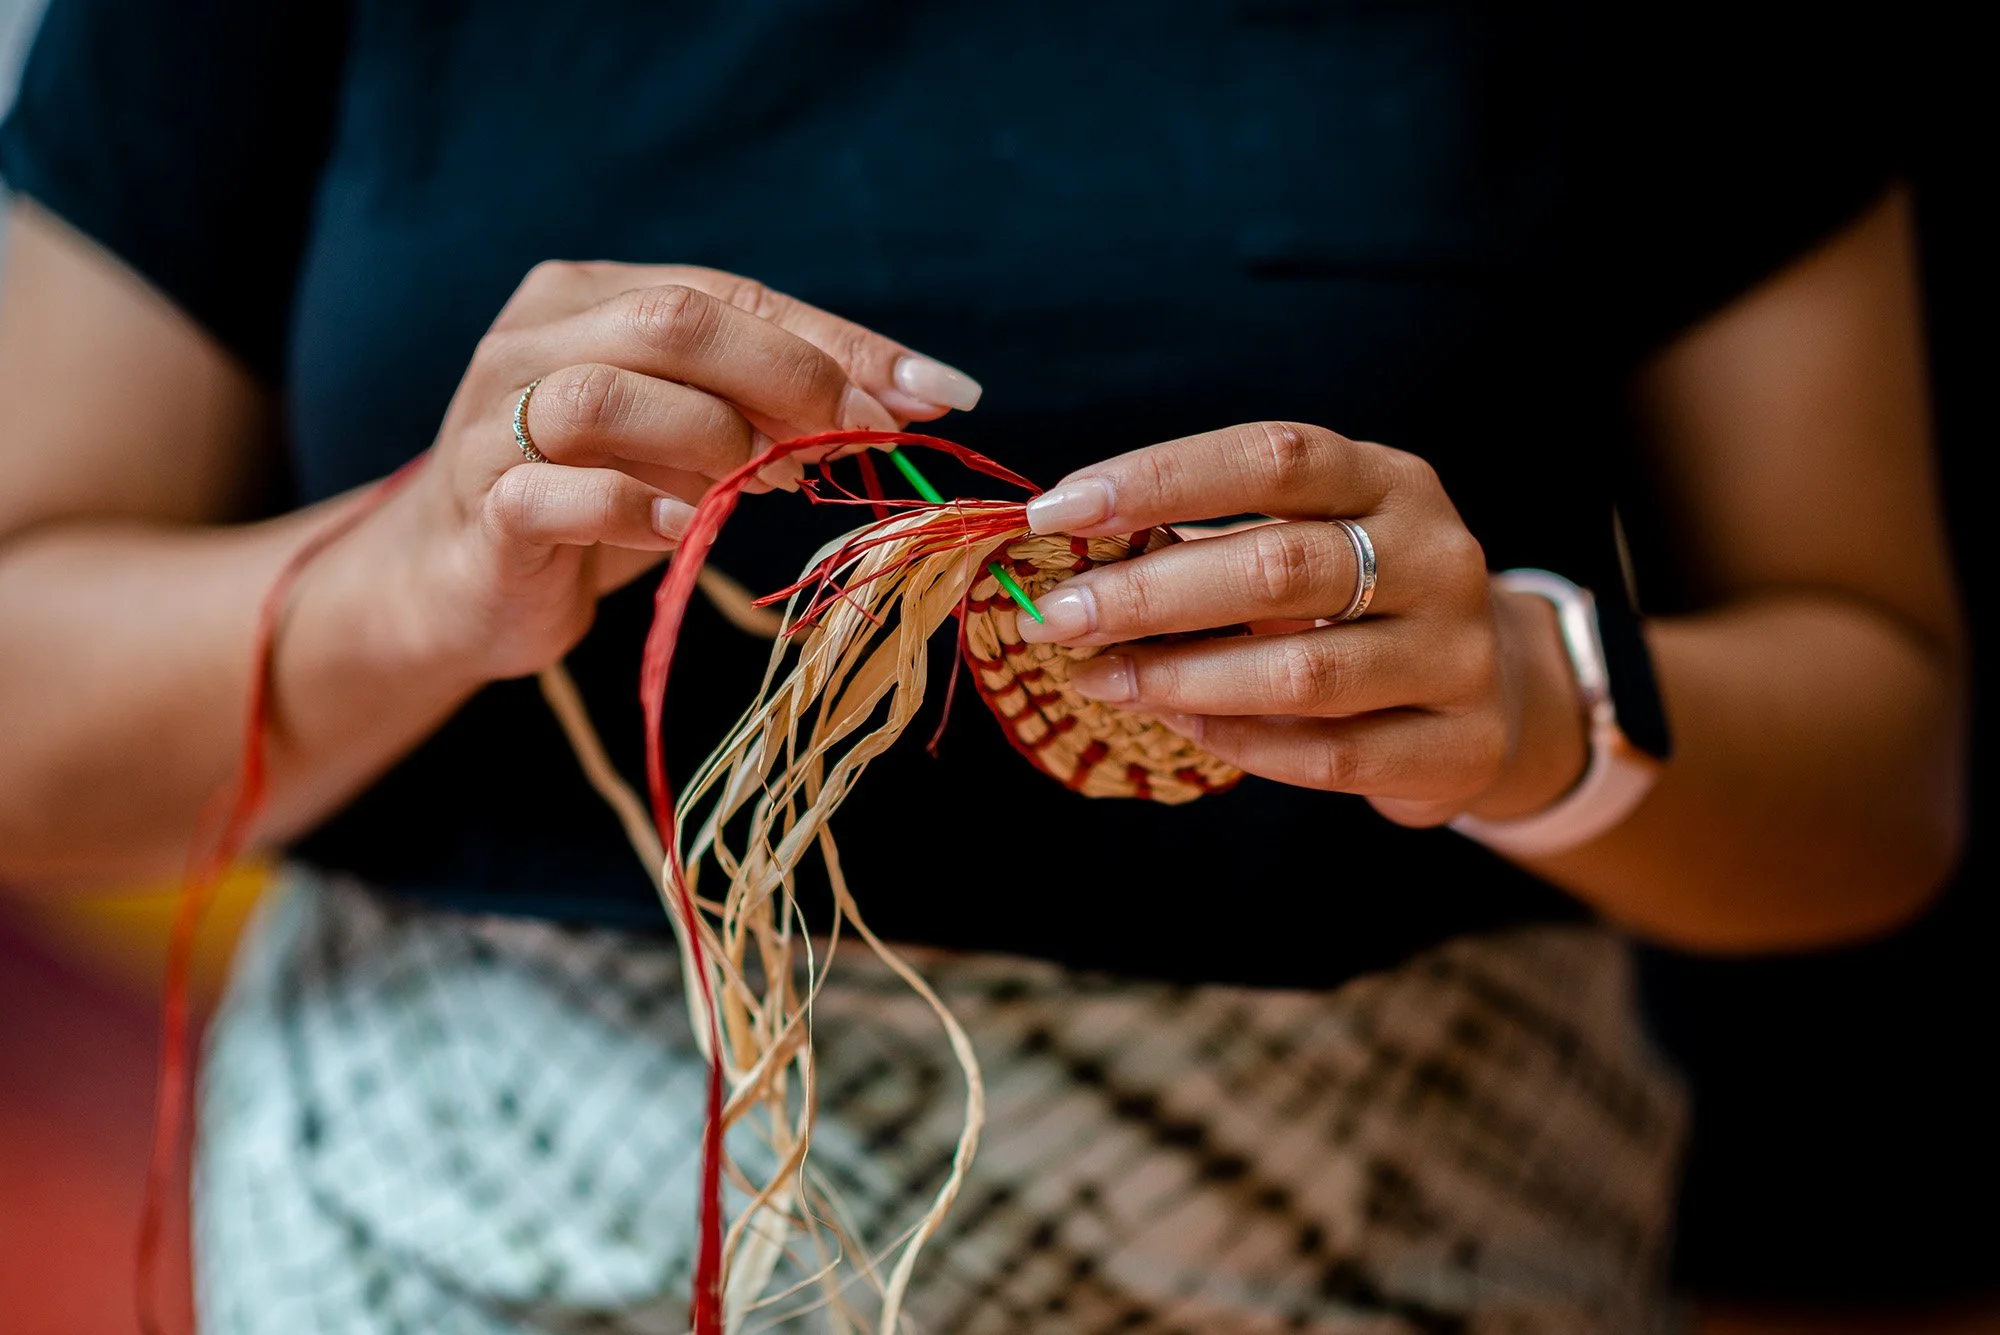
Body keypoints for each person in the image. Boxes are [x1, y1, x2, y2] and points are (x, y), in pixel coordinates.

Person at [0, 3, 1961, 1331]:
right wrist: (420, 569)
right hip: (442, 1244)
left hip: (1394, 1242)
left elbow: (1886, 777)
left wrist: (1538, 707)